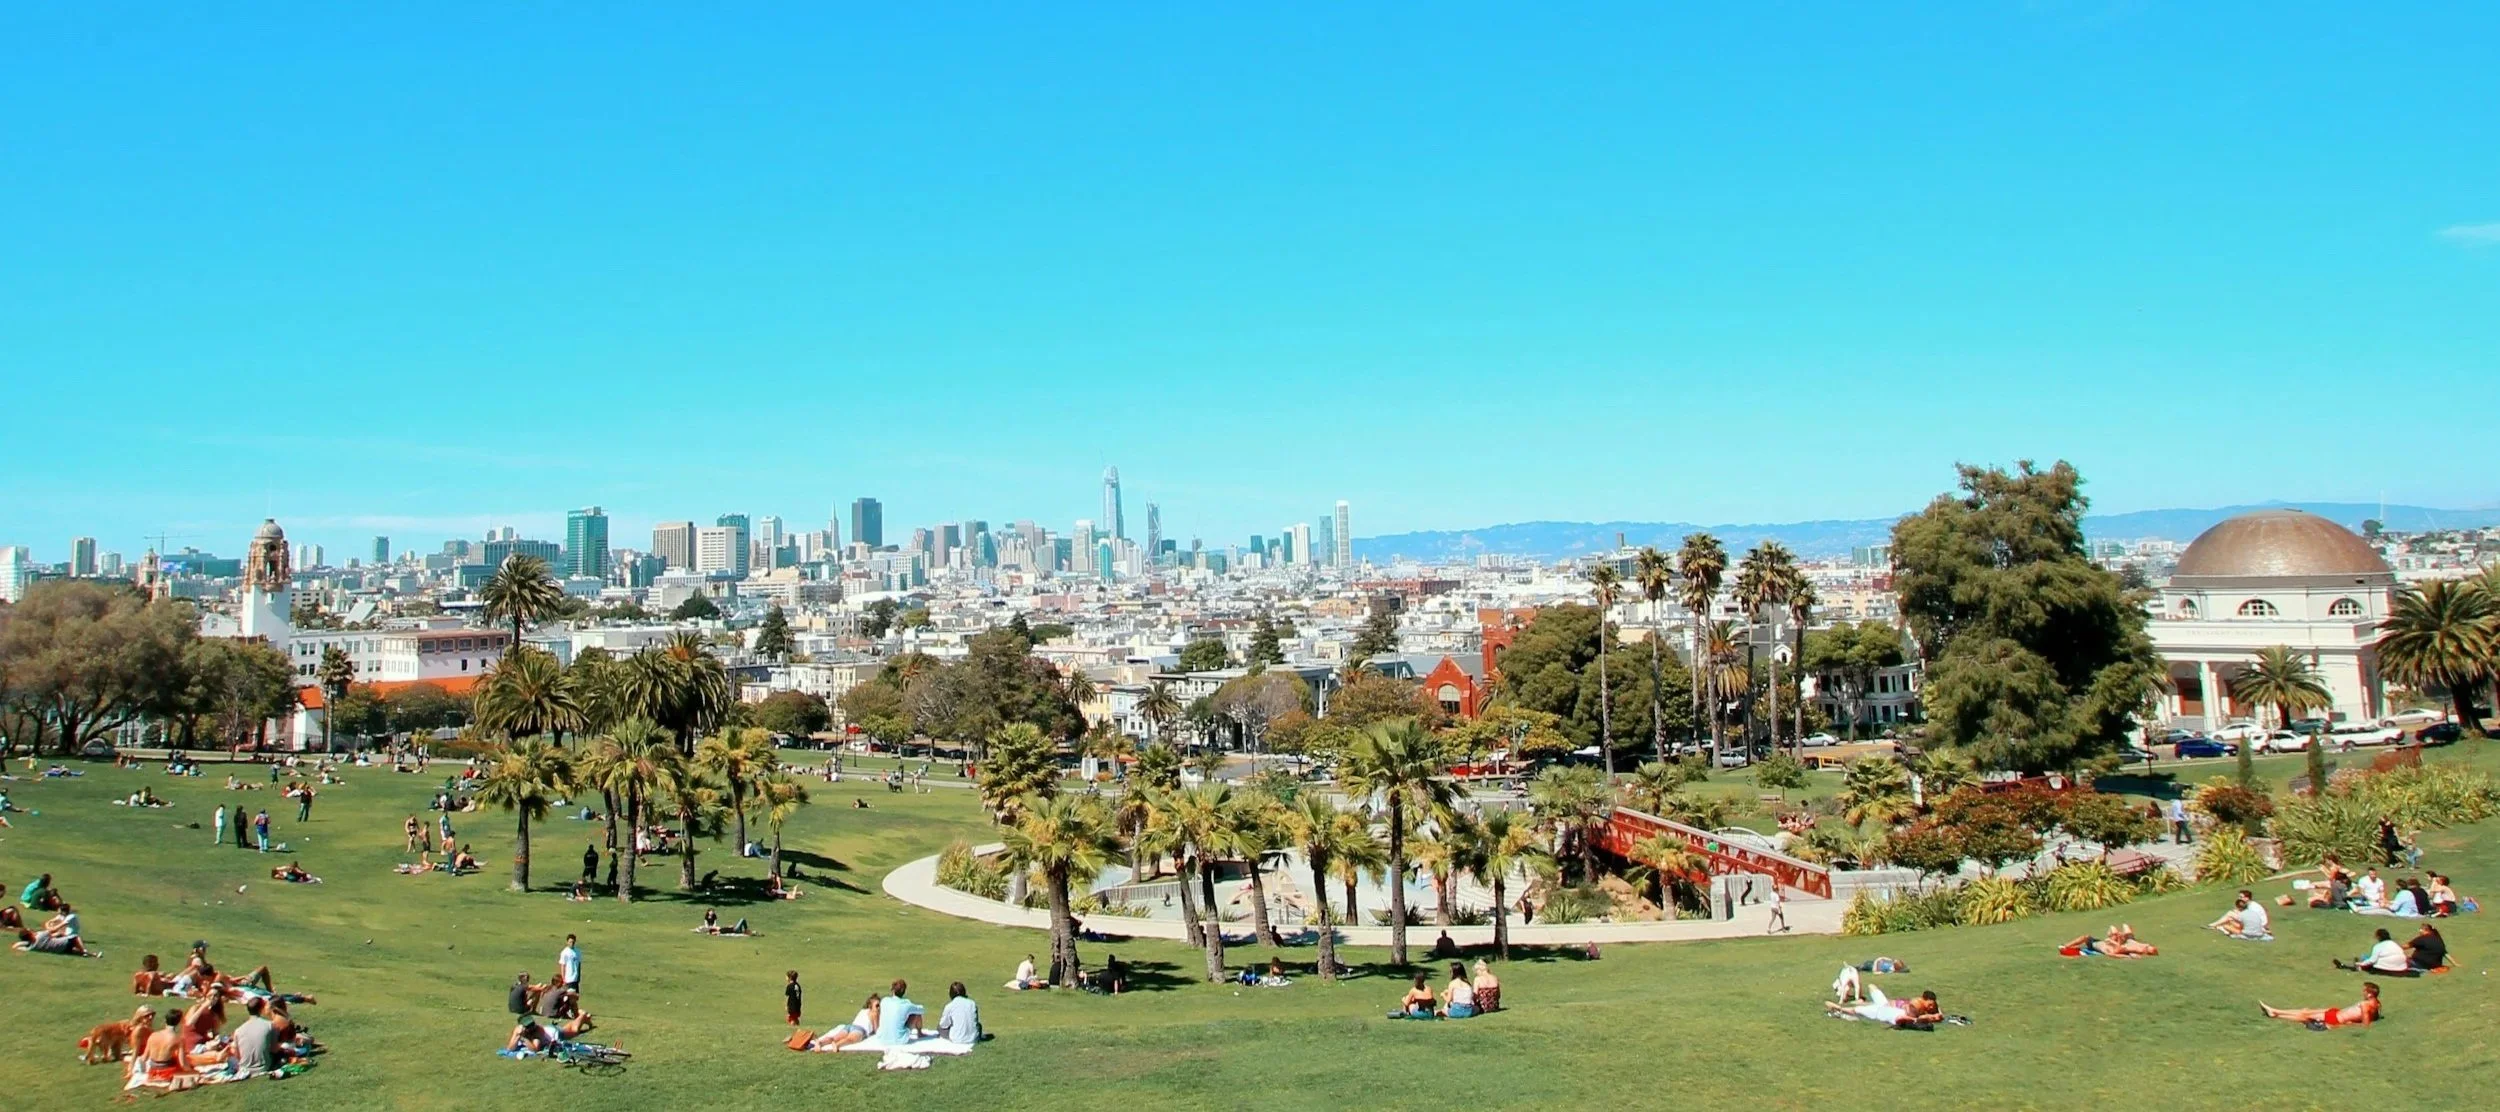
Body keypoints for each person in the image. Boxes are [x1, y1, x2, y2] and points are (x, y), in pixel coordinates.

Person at [2262, 982, 2380, 1028]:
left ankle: (2275, 1012)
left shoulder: (2366, 1005)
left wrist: (2349, 1024)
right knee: (2306, 1012)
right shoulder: (2377, 1004)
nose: (2363, 993)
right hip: (2336, 1013)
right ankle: (2275, 1013)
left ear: (2370, 994)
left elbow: (2365, 1023)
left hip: (2336, 1018)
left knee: (2304, 1015)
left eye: (2365, 991)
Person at [229, 996, 281, 1077]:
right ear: (261, 1008)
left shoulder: (238, 1031)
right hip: (265, 1067)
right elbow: (275, 1050)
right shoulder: (270, 1025)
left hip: (244, 1068)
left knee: (230, 1059)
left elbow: (237, 1056)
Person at [810, 994, 879, 1051]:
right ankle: (837, 1045)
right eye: (877, 1006)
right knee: (850, 1039)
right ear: (871, 1005)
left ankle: (820, 1043)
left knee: (834, 1038)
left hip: (850, 1026)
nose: (878, 1008)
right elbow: (877, 1030)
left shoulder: (863, 1010)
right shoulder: (875, 1013)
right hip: (860, 1029)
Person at [2334, 928, 2413, 975]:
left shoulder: (2378, 946)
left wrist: (2360, 964)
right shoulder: (2394, 944)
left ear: (2378, 937)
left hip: (2389, 967)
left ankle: (2350, 967)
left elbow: (2372, 960)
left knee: (2366, 960)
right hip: (2402, 967)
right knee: (2366, 957)